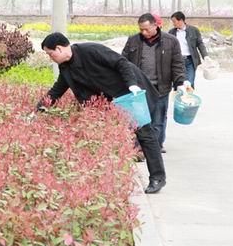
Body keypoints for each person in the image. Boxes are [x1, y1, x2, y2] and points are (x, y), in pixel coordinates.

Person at [36, 32, 167, 194]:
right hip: (109, 101)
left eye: (50, 54)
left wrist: (132, 84)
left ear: (59, 49)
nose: (50, 58)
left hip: (130, 92)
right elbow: (56, 91)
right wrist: (37, 111)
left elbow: (121, 62)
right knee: (108, 136)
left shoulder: (90, 50)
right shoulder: (66, 68)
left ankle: (157, 178)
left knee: (144, 133)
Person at [122, 13, 191, 152]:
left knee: (158, 120)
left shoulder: (170, 41)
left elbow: (177, 64)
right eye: (141, 29)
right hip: (139, 88)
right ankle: (137, 149)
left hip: (161, 88)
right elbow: (123, 62)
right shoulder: (133, 40)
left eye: (146, 29)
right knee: (138, 119)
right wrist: (129, 82)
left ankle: (156, 147)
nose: (143, 32)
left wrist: (180, 83)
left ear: (155, 26)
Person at [168, 11, 209, 87]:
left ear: (181, 20)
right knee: (179, 84)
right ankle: (178, 94)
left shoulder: (194, 30)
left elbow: (200, 43)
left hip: (190, 61)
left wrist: (205, 56)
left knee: (190, 83)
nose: (173, 23)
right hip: (177, 61)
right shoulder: (171, 32)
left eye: (174, 21)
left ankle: (189, 94)